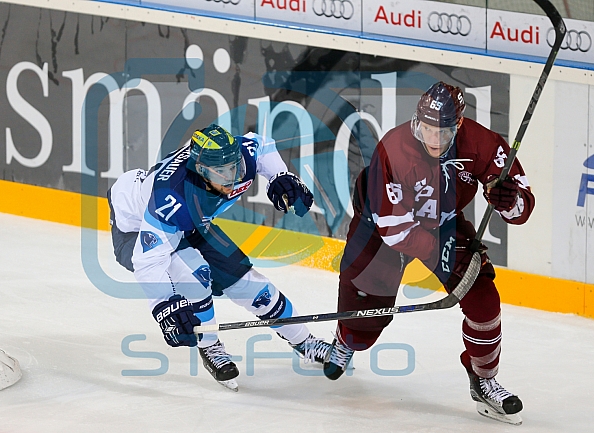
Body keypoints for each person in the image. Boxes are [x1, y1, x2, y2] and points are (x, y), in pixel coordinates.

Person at [323, 82, 534, 425]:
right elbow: (394, 227)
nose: (434, 138)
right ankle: (348, 337)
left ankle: (484, 378)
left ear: (459, 125)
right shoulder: (393, 148)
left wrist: (509, 200)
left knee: (483, 298)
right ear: (416, 120)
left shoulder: (481, 143)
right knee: (362, 288)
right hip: (378, 221)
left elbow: (521, 205)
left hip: (443, 223)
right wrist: (437, 251)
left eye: (444, 131)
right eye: (427, 129)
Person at [107, 124, 331, 391]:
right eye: (221, 173)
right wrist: (164, 305)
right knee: (196, 278)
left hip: (192, 222)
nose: (232, 178)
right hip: (135, 228)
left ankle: (304, 342)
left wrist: (279, 175)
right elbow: (148, 261)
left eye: (233, 167)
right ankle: (210, 345)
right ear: (201, 171)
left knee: (253, 286)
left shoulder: (240, 160)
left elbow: (260, 144)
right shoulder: (172, 198)